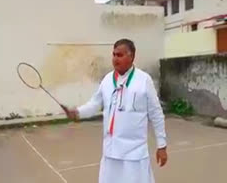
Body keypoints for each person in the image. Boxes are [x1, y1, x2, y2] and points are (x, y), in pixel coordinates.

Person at [64, 39, 168, 183]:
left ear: (131, 57)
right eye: (113, 55)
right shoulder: (107, 80)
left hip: (134, 154)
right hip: (111, 152)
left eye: (119, 55)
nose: (115, 59)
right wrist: (77, 113)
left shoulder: (144, 80)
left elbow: (156, 114)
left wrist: (161, 145)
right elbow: (95, 104)